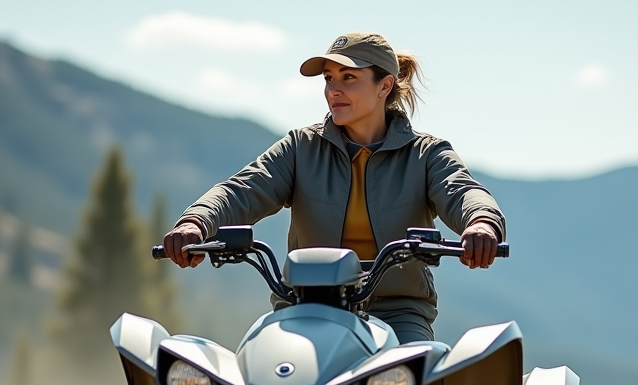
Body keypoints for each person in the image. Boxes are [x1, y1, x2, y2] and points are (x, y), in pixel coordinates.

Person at [163, 32, 506, 343]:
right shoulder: (301, 147)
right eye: (329, 79)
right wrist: (196, 222)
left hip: (397, 310)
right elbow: (242, 190)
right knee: (258, 373)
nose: (333, 90)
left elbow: (463, 191)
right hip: (304, 306)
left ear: (384, 86)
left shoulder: (426, 154)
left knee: (417, 377)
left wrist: (480, 223)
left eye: (349, 78)